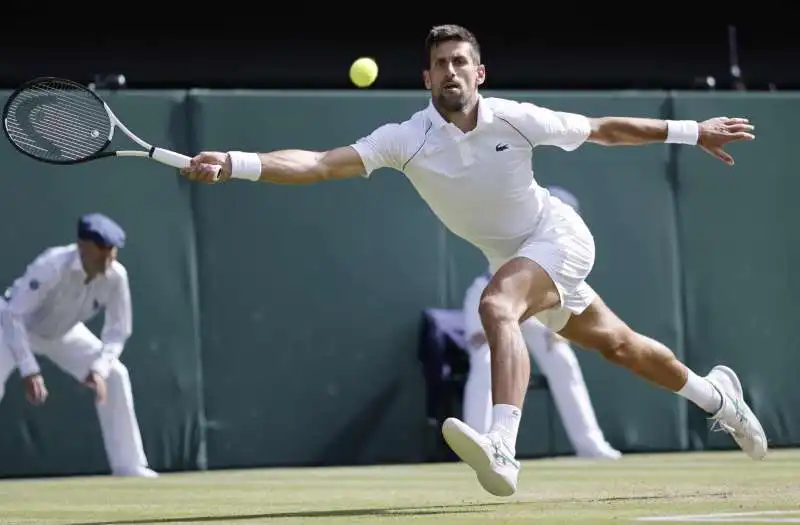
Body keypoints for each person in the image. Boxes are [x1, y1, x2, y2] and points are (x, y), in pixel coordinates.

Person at [179, 24, 765, 497]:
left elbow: (603, 129)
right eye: (441, 63)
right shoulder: (404, 138)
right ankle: (719, 397)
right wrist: (235, 160)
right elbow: (318, 163)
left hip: (557, 236)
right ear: (427, 77)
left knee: (496, 304)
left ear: (479, 73)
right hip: (514, 254)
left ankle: (503, 448)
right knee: (620, 346)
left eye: (462, 62)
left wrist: (692, 130)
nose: (451, 71)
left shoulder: (515, 116)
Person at [462, 186, 621, 460]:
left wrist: (562, 327)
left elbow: (566, 283)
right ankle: (477, 443)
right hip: (491, 296)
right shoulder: (520, 225)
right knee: (485, 360)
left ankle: (590, 444)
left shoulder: (568, 242)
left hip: (538, 304)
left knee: (563, 359)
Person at [0, 213, 157, 478]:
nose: (108, 258)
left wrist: (99, 368)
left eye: (112, 250)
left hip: (64, 333)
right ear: (83, 246)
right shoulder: (52, 264)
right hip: (14, 328)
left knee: (116, 375)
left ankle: (129, 466)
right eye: (101, 249)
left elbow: (118, 330)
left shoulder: (116, 276)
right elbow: (13, 314)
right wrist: (29, 368)